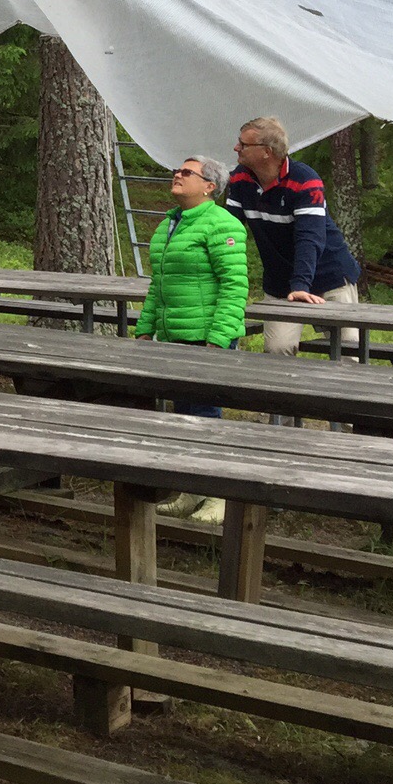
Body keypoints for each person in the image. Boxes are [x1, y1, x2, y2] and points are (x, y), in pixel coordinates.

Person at [135, 155, 246, 524]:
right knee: (184, 416)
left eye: (186, 172)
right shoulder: (170, 223)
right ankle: (191, 489)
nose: (177, 175)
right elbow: (158, 284)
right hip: (173, 335)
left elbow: (234, 287)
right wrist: (145, 327)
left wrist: (219, 338)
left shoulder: (222, 224)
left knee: (206, 416)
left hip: (205, 336)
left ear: (210, 186)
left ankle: (220, 495)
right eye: (176, 170)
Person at [225, 115, 361, 358]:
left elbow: (309, 239)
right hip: (280, 281)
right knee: (277, 351)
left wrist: (300, 285)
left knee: (348, 352)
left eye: (243, 144)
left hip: (330, 276)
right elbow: (228, 229)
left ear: (266, 152)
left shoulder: (305, 180)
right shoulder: (239, 178)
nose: (236, 148)